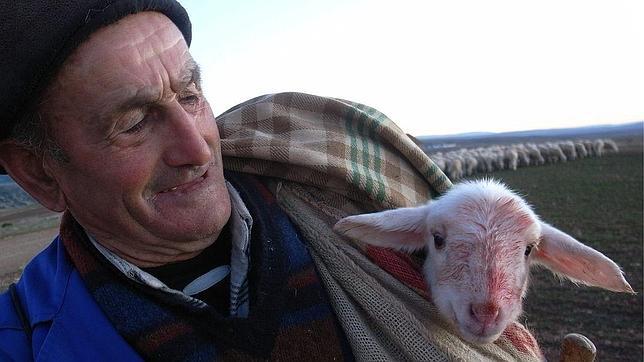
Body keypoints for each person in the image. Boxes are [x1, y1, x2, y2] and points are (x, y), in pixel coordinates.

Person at [0, 1, 544, 361]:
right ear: (39, 173)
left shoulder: (342, 200)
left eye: (191, 95)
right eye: (134, 123)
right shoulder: (24, 343)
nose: (197, 147)